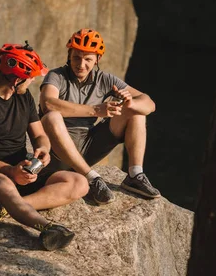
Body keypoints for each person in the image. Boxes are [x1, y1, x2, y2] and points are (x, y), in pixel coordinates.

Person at [0, 41, 88, 251]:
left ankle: (6, 208)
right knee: (4, 185)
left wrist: (43, 149)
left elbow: (40, 135)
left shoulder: (24, 97)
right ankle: (47, 228)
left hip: (22, 168)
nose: (32, 82)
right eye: (31, 78)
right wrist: (10, 171)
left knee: (79, 183)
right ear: (17, 78)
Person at [39, 28, 161, 205]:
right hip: (58, 153)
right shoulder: (56, 76)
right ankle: (91, 178)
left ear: (98, 59)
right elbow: (48, 103)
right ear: (69, 56)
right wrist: (96, 110)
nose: (81, 65)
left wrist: (131, 103)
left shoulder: (104, 79)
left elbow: (149, 104)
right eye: (76, 58)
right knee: (51, 117)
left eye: (88, 59)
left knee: (137, 112)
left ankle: (135, 174)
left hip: (88, 147)